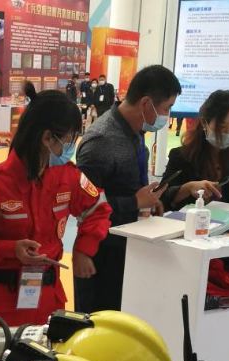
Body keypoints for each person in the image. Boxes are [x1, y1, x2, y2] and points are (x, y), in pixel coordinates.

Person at [0, 89, 112, 326]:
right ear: (47, 138)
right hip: (2, 305)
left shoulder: (67, 177)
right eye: (68, 139)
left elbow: (98, 209)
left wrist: (84, 250)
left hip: (50, 301)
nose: (70, 148)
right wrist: (10, 249)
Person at [75, 65, 181, 314]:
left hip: (132, 247)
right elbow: (83, 208)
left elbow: (128, 185)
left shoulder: (135, 131)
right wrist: (134, 202)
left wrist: (149, 201)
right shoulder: (100, 141)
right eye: (166, 109)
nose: (167, 116)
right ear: (145, 103)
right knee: (100, 324)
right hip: (101, 255)